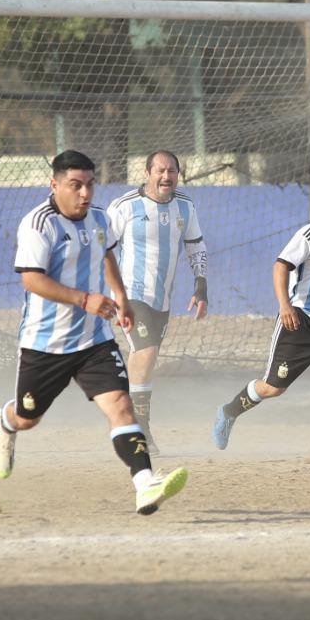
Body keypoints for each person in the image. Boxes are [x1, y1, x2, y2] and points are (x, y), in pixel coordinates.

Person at [0, 150, 188, 515]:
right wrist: (84, 299)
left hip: (93, 339)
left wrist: (121, 297)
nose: (85, 194)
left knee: (121, 405)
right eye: (75, 186)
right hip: (45, 344)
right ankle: (6, 422)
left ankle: (145, 484)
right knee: (28, 418)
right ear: (55, 185)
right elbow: (31, 280)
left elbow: (107, 253)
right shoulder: (38, 224)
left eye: (90, 185)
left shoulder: (99, 218)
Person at [211, 181, 310, 463]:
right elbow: (281, 265)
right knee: (274, 388)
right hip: (300, 324)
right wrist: (285, 306)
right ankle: (229, 411)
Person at [105, 150, 208, 455]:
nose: (166, 176)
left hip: (161, 299)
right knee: (146, 353)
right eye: (160, 171)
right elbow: (105, 250)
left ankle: (126, 420)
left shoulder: (185, 207)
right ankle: (139, 430)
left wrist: (201, 286)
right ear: (147, 173)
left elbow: (195, 245)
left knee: (144, 360)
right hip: (129, 294)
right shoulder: (125, 207)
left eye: (172, 171)